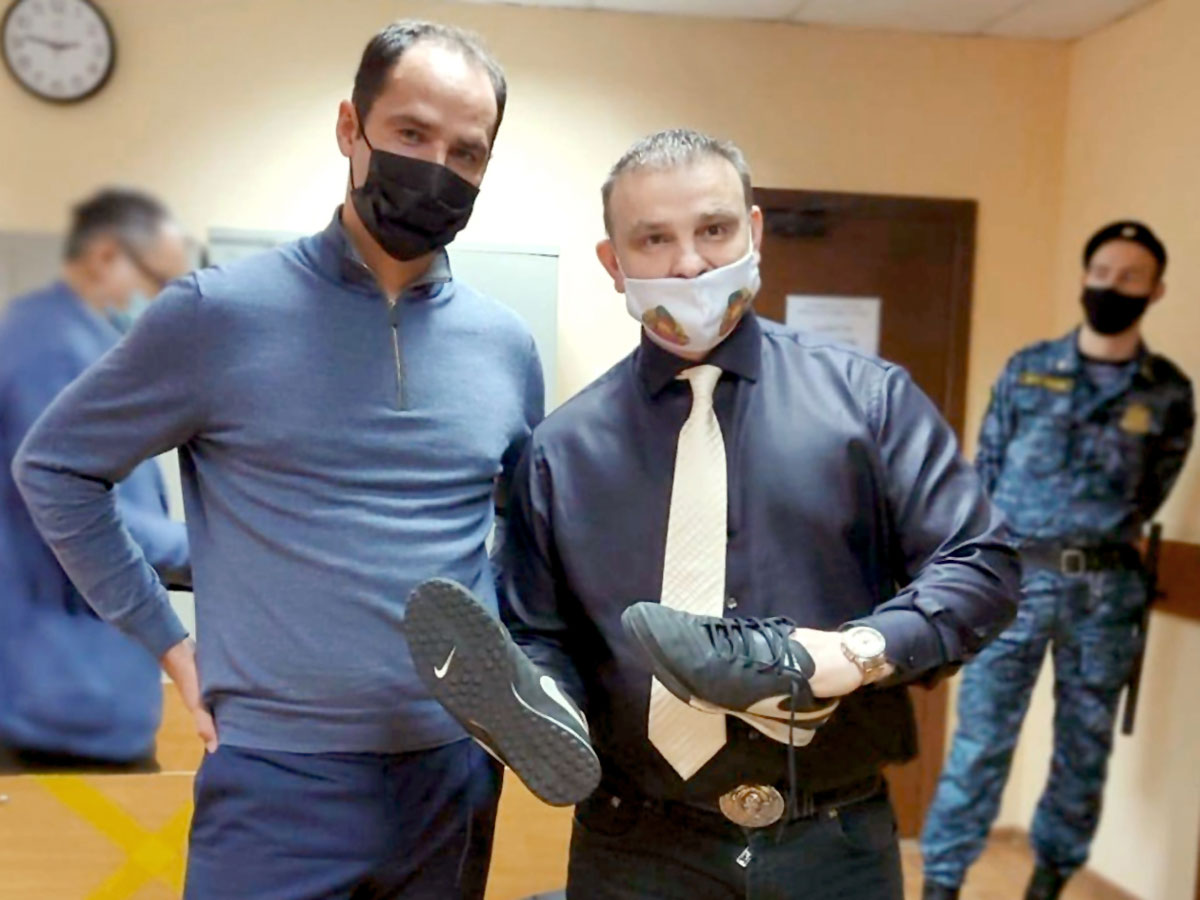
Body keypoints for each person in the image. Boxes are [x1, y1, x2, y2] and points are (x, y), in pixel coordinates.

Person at [404, 128, 1021, 900]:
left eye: (715, 230)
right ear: (613, 263)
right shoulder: (560, 451)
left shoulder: (869, 402)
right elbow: (539, 627)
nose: (690, 264)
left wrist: (856, 652)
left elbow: (982, 564)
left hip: (833, 842)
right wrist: (549, 699)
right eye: (654, 239)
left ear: (754, 232)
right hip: (633, 846)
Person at [14, 20, 543, 900]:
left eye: (467, 152)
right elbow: (56, 470)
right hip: (276, 781)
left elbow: (519, 528)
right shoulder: (216, 316)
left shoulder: (506, 345)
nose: (437, 168)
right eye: (411, 134)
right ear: (350, 129)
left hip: (451, 774)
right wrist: (170, 645)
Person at [920, 221, 1194, 900]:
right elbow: (984, 471)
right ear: (1083, 277)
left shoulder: (1167, 392)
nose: (1111, 286)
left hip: (1106, 594)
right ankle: (942, 882)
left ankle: (1048, 882)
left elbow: (1154, 487)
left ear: (1156, 291)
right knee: (981, 742)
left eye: (1129, 277)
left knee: (1084, 748)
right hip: (1016, 580)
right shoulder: (1028, 369)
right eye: (1101, 272)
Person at [0, 188, 190, 768]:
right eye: (160, 284)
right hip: (54, 701)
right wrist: (231, 550)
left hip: (78, 690)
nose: (164, 306)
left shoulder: (80, 346)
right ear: (106, 256)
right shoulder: (52, 349)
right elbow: (72, 506)